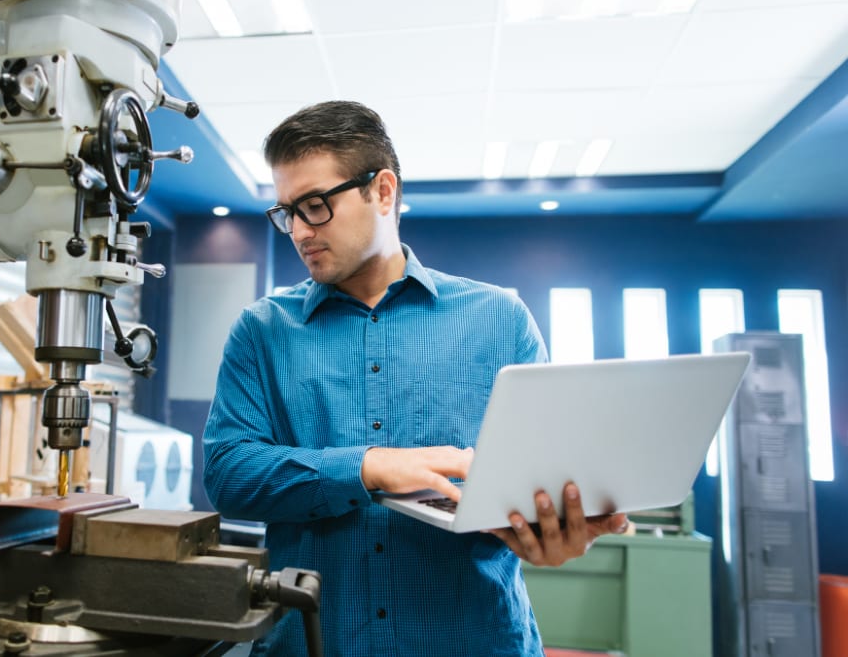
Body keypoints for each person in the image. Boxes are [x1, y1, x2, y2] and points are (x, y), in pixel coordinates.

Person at [202, 101, 629, 656]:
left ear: (382, 191)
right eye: (286, 213)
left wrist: (550, 535)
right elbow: (230, 474)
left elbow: (535, 479)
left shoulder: (499, 319)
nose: (300, 231)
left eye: (314, 205)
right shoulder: (263, 330)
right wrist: (370, 467)